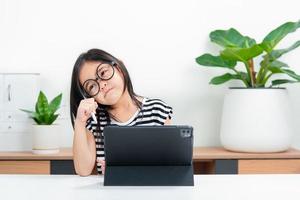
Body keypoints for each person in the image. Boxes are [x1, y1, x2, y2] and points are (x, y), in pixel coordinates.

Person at [70, 49, 173, 176]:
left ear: (119, 68)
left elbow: (169, 164)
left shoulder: (157, 111)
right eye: (92, 86)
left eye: (103, 73)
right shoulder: (95, 121)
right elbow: (83, 170)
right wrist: (80, 121)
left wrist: (125, 171)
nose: (101, 85)